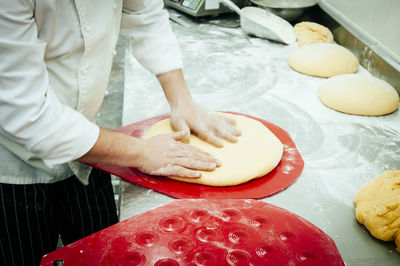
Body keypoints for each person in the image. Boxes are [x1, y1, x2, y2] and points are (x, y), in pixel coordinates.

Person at [0, 0, 241, 265]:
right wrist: (141, 152)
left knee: (103, 256)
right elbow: (25, 114)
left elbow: (145, 14)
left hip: (90, 146)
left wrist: (181, 99)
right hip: (13, 170)